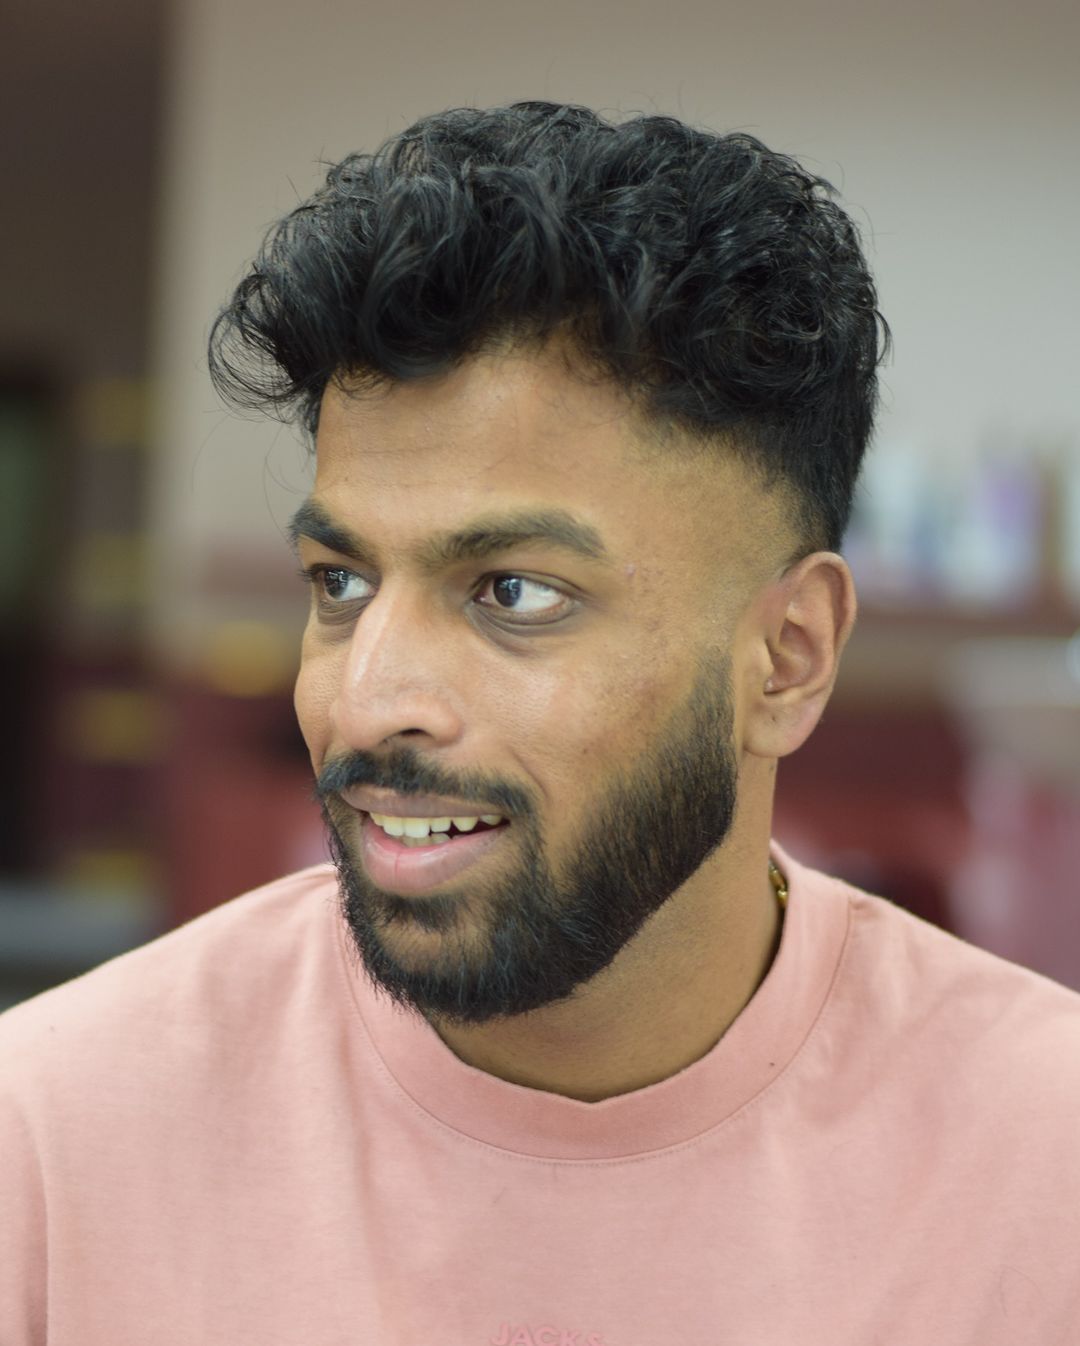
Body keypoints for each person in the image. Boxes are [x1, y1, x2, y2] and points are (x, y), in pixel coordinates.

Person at [2, 102, 1078, 1345]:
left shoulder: (1042, 1159)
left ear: (787, 658)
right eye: (340, 585)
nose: (367, 698)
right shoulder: (53, 1137)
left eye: (514, 591)